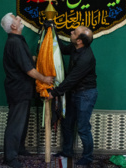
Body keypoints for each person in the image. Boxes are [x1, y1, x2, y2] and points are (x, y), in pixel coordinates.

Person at [0, 13, 54, 168]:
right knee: (16, 123)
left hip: (21, 89)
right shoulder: (15, 43)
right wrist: (45, 79)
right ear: (13, 26)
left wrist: (33, 59)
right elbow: (29, 70)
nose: (19, 18)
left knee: (21, 122)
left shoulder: (16, 41)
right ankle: (10, 157)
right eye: (16, 18)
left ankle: (19, 148)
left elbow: (23, 62)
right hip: (18, 89)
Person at [48, 25, 98, 166]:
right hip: (74, 93)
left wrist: (54, 93)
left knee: (82, 128)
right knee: (67, 123)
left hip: (86, 95)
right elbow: (62, 49)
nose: (71, 32)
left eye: (74, 32)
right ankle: (67, 151)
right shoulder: (74, 47)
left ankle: (87, 158)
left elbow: (71, 80)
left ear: (79, 41)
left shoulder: (86, 58)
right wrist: (53, 30)